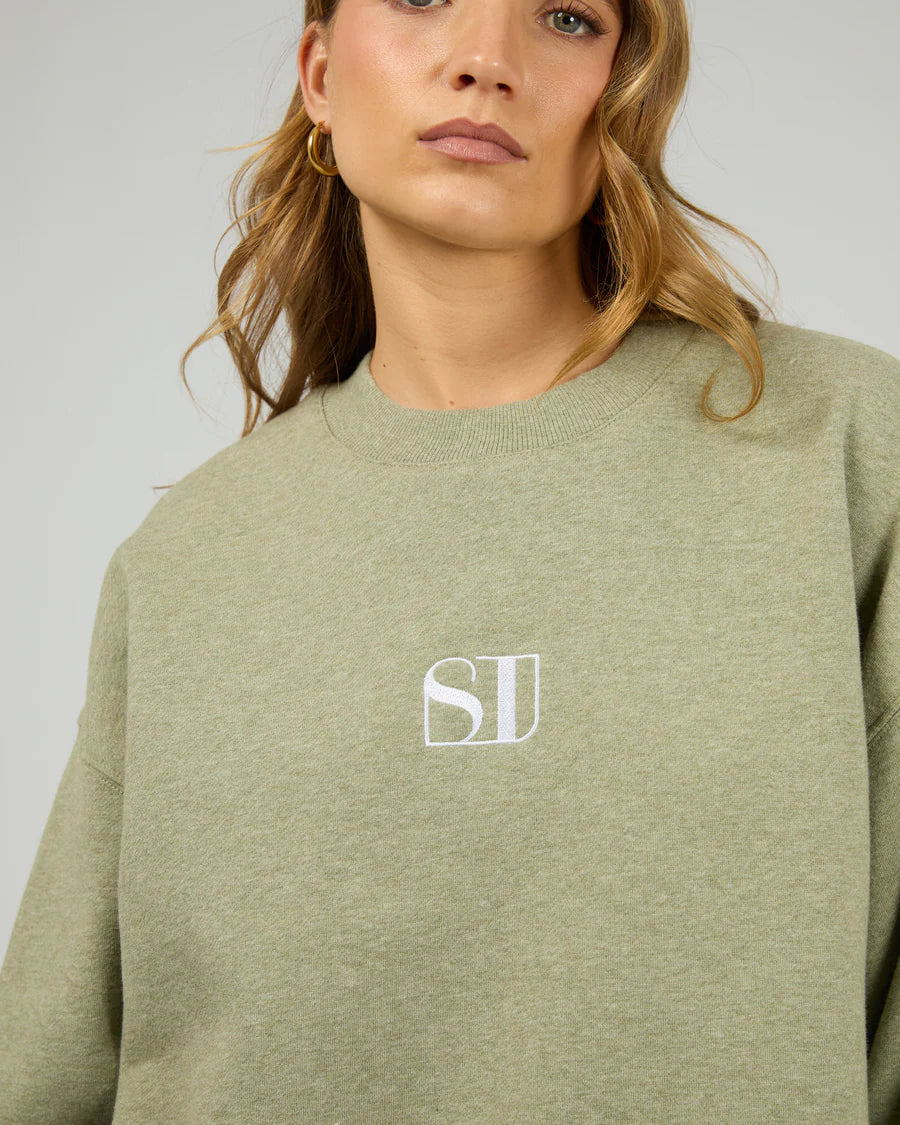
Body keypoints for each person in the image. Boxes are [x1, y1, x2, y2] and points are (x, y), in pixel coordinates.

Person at [1, 0, 898, 1120]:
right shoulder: (186, 561)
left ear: (626, 88)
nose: (486, 60)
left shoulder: (841, 445)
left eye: (566, 17)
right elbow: (49, 1068)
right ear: (319, 76)